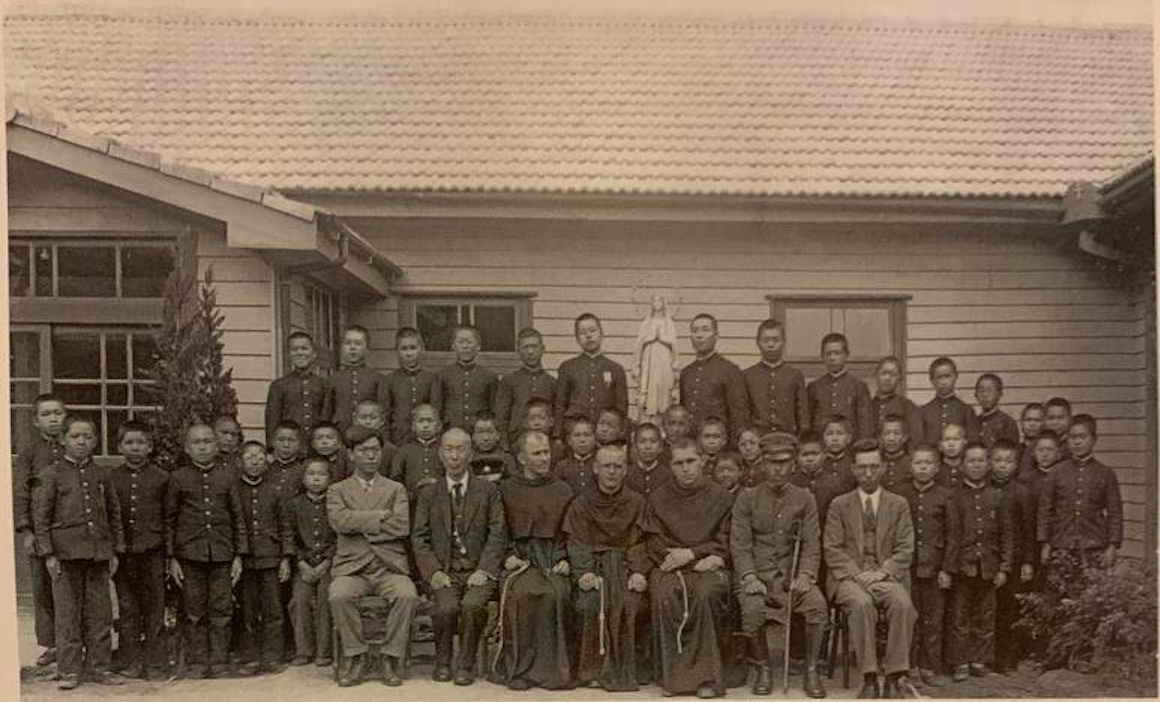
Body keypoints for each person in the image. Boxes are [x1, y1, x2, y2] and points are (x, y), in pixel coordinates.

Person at [731, 432, 828, 698]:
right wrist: (749, 577)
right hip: (758, 579)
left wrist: (806, 574)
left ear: (793, 464)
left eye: (784, 462)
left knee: (817, 606)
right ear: (763, 463)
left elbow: (811, 543)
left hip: (793, 578)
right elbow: (740, 545)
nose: (778, 468)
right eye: (772, 462)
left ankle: (811, 670)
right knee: (752, 609)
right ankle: (763, 668)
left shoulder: (805, 499)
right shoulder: (746, 498)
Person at [638, 436, 735, 699]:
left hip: (708, 563)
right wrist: (677, 558)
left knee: (706, 594)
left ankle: (707, 677)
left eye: (691, 461)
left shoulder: (721, 497)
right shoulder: (658, 497)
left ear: (702, 461)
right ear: (670, 466)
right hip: (670, 565)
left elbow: (727, 538)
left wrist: (694, 554)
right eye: (679, 463)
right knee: (665, 594)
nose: (686, 468)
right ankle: (674, 678)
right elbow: (653, 540)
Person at [32, 415, 125, 690]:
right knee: (67, 615)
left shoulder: (101, 475)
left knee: (100, 613)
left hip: (97, 553)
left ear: (95, 441)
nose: (81, 442)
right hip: (64, 555)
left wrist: (115, 550)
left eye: (87, 437)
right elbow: (41, 518)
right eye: (75, 436)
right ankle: (69, 670)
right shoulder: (51, 474)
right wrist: (48, 554)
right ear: (63, 440)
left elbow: (113, 513)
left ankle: (99, 667)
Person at [411, 428, 506, 686]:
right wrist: (433, 572)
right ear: (440, 454)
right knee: (446, 607)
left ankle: (466, 664)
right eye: (449, 450)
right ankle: (443, 662)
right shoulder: (429, 493)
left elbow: (498, 533)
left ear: (471, 454)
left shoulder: (488, 490)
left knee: (473, 606)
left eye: (460, 449)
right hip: (445, 570)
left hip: (478, 570)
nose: (454, 456)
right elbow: (419, 538)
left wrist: (484, 570)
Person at [824, 439, 918, 699]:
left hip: (886, 575)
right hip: (849, 578)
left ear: (883, 468)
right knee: (861, 603)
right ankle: (869, 677)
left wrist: (882, 572)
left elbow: (905, 547)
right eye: (862, 467)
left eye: (874, 467)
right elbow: (832, 548)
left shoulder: (898, 504)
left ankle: (894, 676)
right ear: (853, 469)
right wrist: (858, 575)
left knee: (902, 604)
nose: (868, 473)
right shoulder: (839, 504)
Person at [327, 427, 418, 687]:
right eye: (363, 450)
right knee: (338, 595)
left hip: (389, 568)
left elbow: (401, 527)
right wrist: (379, 516)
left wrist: (358, 523)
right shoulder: (337, 490)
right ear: (351, 454)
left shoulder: (395, 489)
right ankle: (357, 655)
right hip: (352, 569)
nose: (371, 456)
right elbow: (339, 522)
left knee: (407, 595)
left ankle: (390, 656)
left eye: (375, 450)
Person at [492, 431, 575, 690]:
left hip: (552, 557)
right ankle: (519, 669)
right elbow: (497, 531)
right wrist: (507, 556)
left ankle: (553, 672)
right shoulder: (506, 489)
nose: (544, 458)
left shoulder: (563, 490)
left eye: (546, 452)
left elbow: (571, 532)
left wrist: (566, 559)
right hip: (520, 559)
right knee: (522, 594)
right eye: (537, 454)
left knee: (556, 593)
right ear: (521, 458)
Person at [562, 444, 649, 691]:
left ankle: (631, 669)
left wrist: (639, 572)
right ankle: (591, 670)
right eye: (606, 466)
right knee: (589, 603)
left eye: (617, 466)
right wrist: (584, 572)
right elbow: (576, 542)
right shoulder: (581, 504)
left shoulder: (637, 502)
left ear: (625, 470)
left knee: (632, 603)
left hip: (625, 567)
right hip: (595, 567)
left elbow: (642, 541)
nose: (612, 471)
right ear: (595, 468)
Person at [164, 423, 246, 679]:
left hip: (222, 553)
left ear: (216, 446)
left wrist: (238, 556)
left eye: (208, 441)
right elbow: (170, 520)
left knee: (222, 610)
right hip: (189, 554)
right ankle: (197, 662)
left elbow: (237, 517)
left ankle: (219, 661)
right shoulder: (178, 478)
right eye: (196, 442)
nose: (203, 447)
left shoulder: (228, 476)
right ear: (187, 448)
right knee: (193, 611)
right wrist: (172, 558)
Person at [946, 442, 1013, 681]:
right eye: (971, 461)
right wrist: (948, 569)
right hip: (962, 567)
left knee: (985, 616)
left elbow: (1006, 534)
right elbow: (951, 535)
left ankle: (979, 660)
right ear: (963, 465)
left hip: (988, 567)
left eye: (981, 460)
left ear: (988, 464)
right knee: (960, 617)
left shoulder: (997, 496)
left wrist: (1004, 567)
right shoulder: (955, 496)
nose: (976, 465)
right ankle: (960, 661)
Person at [109, 420, 169, 680]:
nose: (135, 447)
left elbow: (169, 518)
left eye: (141, 442)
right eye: (129, 442)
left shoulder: (162, 478)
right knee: (128, 608)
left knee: (155, 608)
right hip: (124, 554)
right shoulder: (112, 478)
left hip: (153, 552)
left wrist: (168, 554)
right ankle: (130, 660)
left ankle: (156, 663)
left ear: (150, 447)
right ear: (120, 447)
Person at [892, 443, 956, 687]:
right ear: (911, 466)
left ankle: (929, 666)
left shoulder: (945, 495)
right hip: (906, 568)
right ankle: (909, 666)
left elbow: (953, 535)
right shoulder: (900, 493)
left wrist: (946, 569)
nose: (923, 467)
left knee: (933, 619)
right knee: (909, 617)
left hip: (934, 568)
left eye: (928, 463)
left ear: (937, 467)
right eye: (918, 463)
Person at [14, 394, 67, 667]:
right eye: (46, 414)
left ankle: (73, 640)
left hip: (69, 528)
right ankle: (51, 643)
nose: (53, 419)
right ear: (36, 421)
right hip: (39, 528)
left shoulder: (74, 446)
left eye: (58, 413)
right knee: (43, 587)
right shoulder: (30, 453)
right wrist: (27, 530)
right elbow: (22, 491)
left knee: (69, 586)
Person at [235, 441, 294, 676]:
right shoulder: (234, 490)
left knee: (273, 610)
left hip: (271, 558)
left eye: (260, 457)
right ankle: (249, 656)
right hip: (245, 561)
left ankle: (272, 656)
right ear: (240, 462)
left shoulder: (275, 490)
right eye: (250, 457)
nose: (255, 461)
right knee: (247, 610)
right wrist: (236, 557)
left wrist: (285, 558)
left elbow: (285, 527)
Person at [1037, 415, 1122, 569]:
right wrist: (1045, 543)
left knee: (1092, 583)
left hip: (1094, 545)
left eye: (1082, 437)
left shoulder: (1106, 473)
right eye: (1072, 437)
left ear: (1094, 439)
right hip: (1061, 544)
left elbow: (1114, 512)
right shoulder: (1056, 472)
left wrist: (1112, 545)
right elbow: (1045, 510)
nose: (1077, 442)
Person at [989, 439, 1036, 675]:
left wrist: (1028, 561)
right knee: (988, 608)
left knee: (1009, 609)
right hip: (988, 558)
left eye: (1008, 461)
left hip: (1014, 561)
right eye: (998, 460)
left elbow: (1029, 530)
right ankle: (986, 656)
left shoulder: (1022, 493)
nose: (1002, 465)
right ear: (990, 462)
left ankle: (1007, 659)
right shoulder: (983, 489)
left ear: (1016, 464)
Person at [287, 458, 337, 668]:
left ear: (330, 478)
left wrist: (327, 561)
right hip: (304, 565)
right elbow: (289, 537)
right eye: (311, 474)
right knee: (300, 599)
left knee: (326, 598)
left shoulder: (335, 503)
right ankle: (304, 650)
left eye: (321, 474)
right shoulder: (295, 505)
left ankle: (325, 651)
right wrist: (301, 563)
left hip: (329, 565)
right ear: (303, 478)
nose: (316, 479)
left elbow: (340, 537)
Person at [555, 313, 628, 436]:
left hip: (605, 434)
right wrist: (557, 435)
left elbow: (621, 408)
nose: (588, 335)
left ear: (601, 333)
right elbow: (560, 405)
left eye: (593, 330)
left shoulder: (616, 369)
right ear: (577, 339)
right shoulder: (567, 367)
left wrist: (619, 436)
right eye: (582, 332)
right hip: (576, 434)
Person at [680, 313, 749, 440]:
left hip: (720, 444)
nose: (699, 335)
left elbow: (739, 415)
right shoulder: (686, 373)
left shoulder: (730, 370)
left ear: (716, 335)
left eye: (705, 330)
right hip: (692, 444)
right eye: (695, 331)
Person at [743, 319, 810, 437]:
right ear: (758, 342)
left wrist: (801, 438)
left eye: (776, 340)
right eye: (766, 340)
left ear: (784, 342)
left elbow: (802, 414)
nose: (771, 345)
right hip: (758, 440)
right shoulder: (747, 375)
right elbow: (743, 412)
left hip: (787, 439)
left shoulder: (794, 375)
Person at [265, 331, 327, 450]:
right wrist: (272, 449)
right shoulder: (279, 385)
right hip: (289, 449)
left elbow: (326, 418)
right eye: (294, 349)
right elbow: (272, 421)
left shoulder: (324, 384)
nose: (299, 353)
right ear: (288, 355)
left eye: (304, 348)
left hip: (317, 449)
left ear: (314, 354)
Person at [497, 327, 557, 443]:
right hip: (516, 441)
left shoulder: (552, 383)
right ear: (518, 351)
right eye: (525, 347)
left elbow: (556, 416)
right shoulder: (509, 381)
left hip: (544, 442)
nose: (530, 352)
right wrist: (505, 446)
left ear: (542, 349)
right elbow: (501, 417)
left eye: (534, 346)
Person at [808, 333, 873, 439]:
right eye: (828, 354)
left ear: (847, 355)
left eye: (837, 353)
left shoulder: (858, 386)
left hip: (851, 445)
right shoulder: (814, 387)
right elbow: (809, 422)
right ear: (822, 357)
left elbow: (865, 424)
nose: (832, 358)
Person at [325, 325, 389, 432]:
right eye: (347, 343)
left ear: (367, 349)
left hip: (369, 434)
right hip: (340, 434)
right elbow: (327, 413)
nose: (352, 347)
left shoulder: (377, 378)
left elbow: (384, 412)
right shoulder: (333, 379)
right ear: (341, 348)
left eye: (358, 343)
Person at [385, 327, 442, 445]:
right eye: (404, 348)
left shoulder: (431, 379)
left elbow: (436, 410)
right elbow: (386, 414)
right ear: (397, 351)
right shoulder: (389, 380)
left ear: (420, 349)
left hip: (424, 438)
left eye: (413, 348)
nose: (409, 353)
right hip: (398, 438)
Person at [438, 325, 499, 431]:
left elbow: (494, 410)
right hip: (451, 431)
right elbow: (438, 408)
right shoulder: (443, 375)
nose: (465, 346)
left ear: (478, 346)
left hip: (479, 433)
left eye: (470, 342)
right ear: (453, 346)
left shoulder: (489, 376)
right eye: (460, 342)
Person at [633, 293, 680, 424]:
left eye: (659, 301)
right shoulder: (646, 322)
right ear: (651, 304)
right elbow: (639, 343)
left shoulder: (669, 322)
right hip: (649, 359)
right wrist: (651, 338)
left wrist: (663, 338)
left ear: (663, 303)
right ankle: (649, 418)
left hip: (665, 358)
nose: (657, 303)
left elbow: (674, 343)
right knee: (649, 386)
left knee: (664, 386)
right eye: (654, 301)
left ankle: (663, 416)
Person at [920, 358, 980, 444]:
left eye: (947, 376)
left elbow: (973, 442)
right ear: (932, 380)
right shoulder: (924, 412)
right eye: (939, 377)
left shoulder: (966, 411)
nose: (944, 382)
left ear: (955, 377)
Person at [389, 404, 444, 497]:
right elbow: (395, 477)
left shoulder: (444, 448)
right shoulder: (405, 450)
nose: (425, 425)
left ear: (439, 425)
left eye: (430, 421)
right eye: (421, 421)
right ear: (413, 426)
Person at [870, 356, 924, 447]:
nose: (887, 378)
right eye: (884, 373)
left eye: (893, 375)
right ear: (876, 375)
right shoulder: (867, 406)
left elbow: (916, 440)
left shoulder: (908, 407)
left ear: (899, 379)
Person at [625, 422, 672, 499]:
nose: (648, 446)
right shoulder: (627, 475)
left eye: (653, 441)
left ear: (660, 447)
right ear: (635, 446)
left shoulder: (667, 475)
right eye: (642, 441)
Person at [975, 374, 1020, 449]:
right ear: (976, 394)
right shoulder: (973, 421)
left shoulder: (1007, 423)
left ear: (999, 394)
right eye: (981, 390)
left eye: (989, 390)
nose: (985, 394)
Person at [470, 411, 515, 481]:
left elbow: (513, 482)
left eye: (490, 431)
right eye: (480, 432)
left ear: (498, 435)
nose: (485, 438)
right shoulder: (468, 458)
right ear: (473, 436)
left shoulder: (506, 458)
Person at [557, 417, 598, 494]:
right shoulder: (562, 467)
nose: (582, 440)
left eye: (587, 435)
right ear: (569, 440)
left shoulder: (600, 464)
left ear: (595, 439)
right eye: (577, 435)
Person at [353, 400, 398, 468]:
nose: (368, 422)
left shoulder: (391, 451)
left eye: (373, 418)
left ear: (382, 420)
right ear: (355, 420)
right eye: (363, 418)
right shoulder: (347, 449)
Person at [269, 420, 306, 498]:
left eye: (292, 440)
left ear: (299, 444)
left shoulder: (304, 468)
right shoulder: (265, 467)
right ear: (273, 442)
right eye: (281, 440)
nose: (286, 445)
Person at [879, 415, 912, 492]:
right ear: (880, 437)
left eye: (896, 433)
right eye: (887, 433)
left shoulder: (910, 462)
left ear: (905, 437)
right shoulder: (877, 462)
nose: (891, 438)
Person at [1017, 403, 1046, 478]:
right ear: (1021, 423)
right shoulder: (1015, 450)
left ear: (1044, 423)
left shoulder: (1046, 452)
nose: (1032, 424)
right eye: (1028, 420)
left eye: (1037, 420)